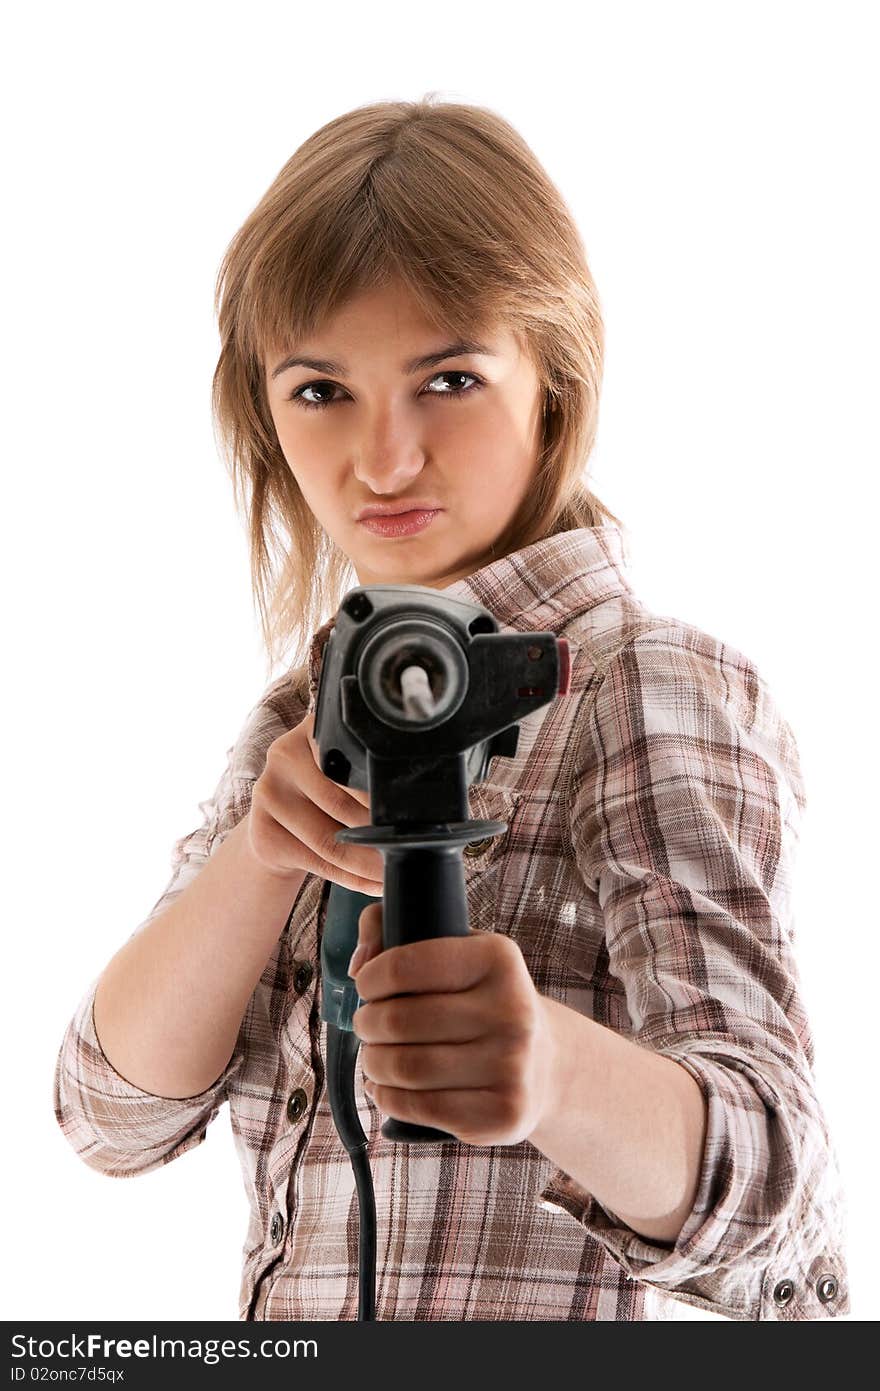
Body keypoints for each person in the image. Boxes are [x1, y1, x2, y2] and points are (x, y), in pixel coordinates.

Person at [53, 95, 849, 1321]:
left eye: (449, 379)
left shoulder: (636, 680)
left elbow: (782, 1208)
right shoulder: (296, 723)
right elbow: (107, 1116)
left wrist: (553, 1071)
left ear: (553, 381)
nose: (382, 460)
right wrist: (258, 860)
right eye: (322, 391)